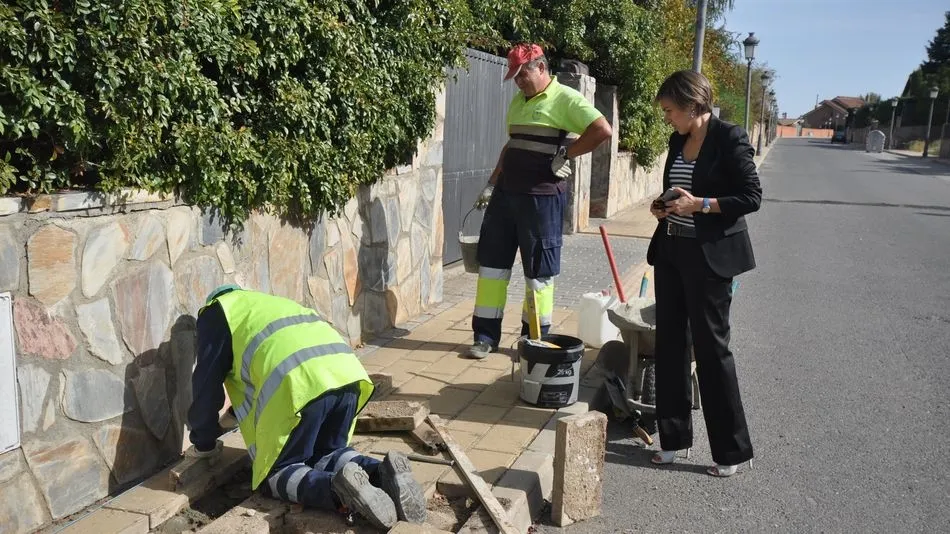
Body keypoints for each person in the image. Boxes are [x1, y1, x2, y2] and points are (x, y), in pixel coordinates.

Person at [185, 284, 426, 529]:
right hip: (346, 376)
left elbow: (205, 388)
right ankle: (381, 472)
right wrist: (233, 416)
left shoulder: (216, 313)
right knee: (327, 453)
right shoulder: (267, 305)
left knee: (277, 474)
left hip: (301, 387)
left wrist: (204, 443)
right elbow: (262, 370)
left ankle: (336, 491)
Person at [646, 70, 761, 477]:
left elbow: (751, 196)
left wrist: (702, 205)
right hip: (673, 251)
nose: (668, 119)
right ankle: (673, 441)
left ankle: (731, 452)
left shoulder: (729, 137)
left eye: (671, 111)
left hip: (711, 258)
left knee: (712, 352)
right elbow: (677, 191)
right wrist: (663, 206)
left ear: (695, 105)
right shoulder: (678, 140)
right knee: (670, 347)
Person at [467, 43, 612, 358]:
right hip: (506, 196)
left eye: (523, 73)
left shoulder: (565, 99)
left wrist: (567, 153)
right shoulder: (519, 101)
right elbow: (512, 146)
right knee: (491, 266)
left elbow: (602, 129)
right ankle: (485, 337)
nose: (518, 81)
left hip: (541, 199)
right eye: (515, 75)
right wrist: (492, 183)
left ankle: (532, 341)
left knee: (539, 273)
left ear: (542, 67)